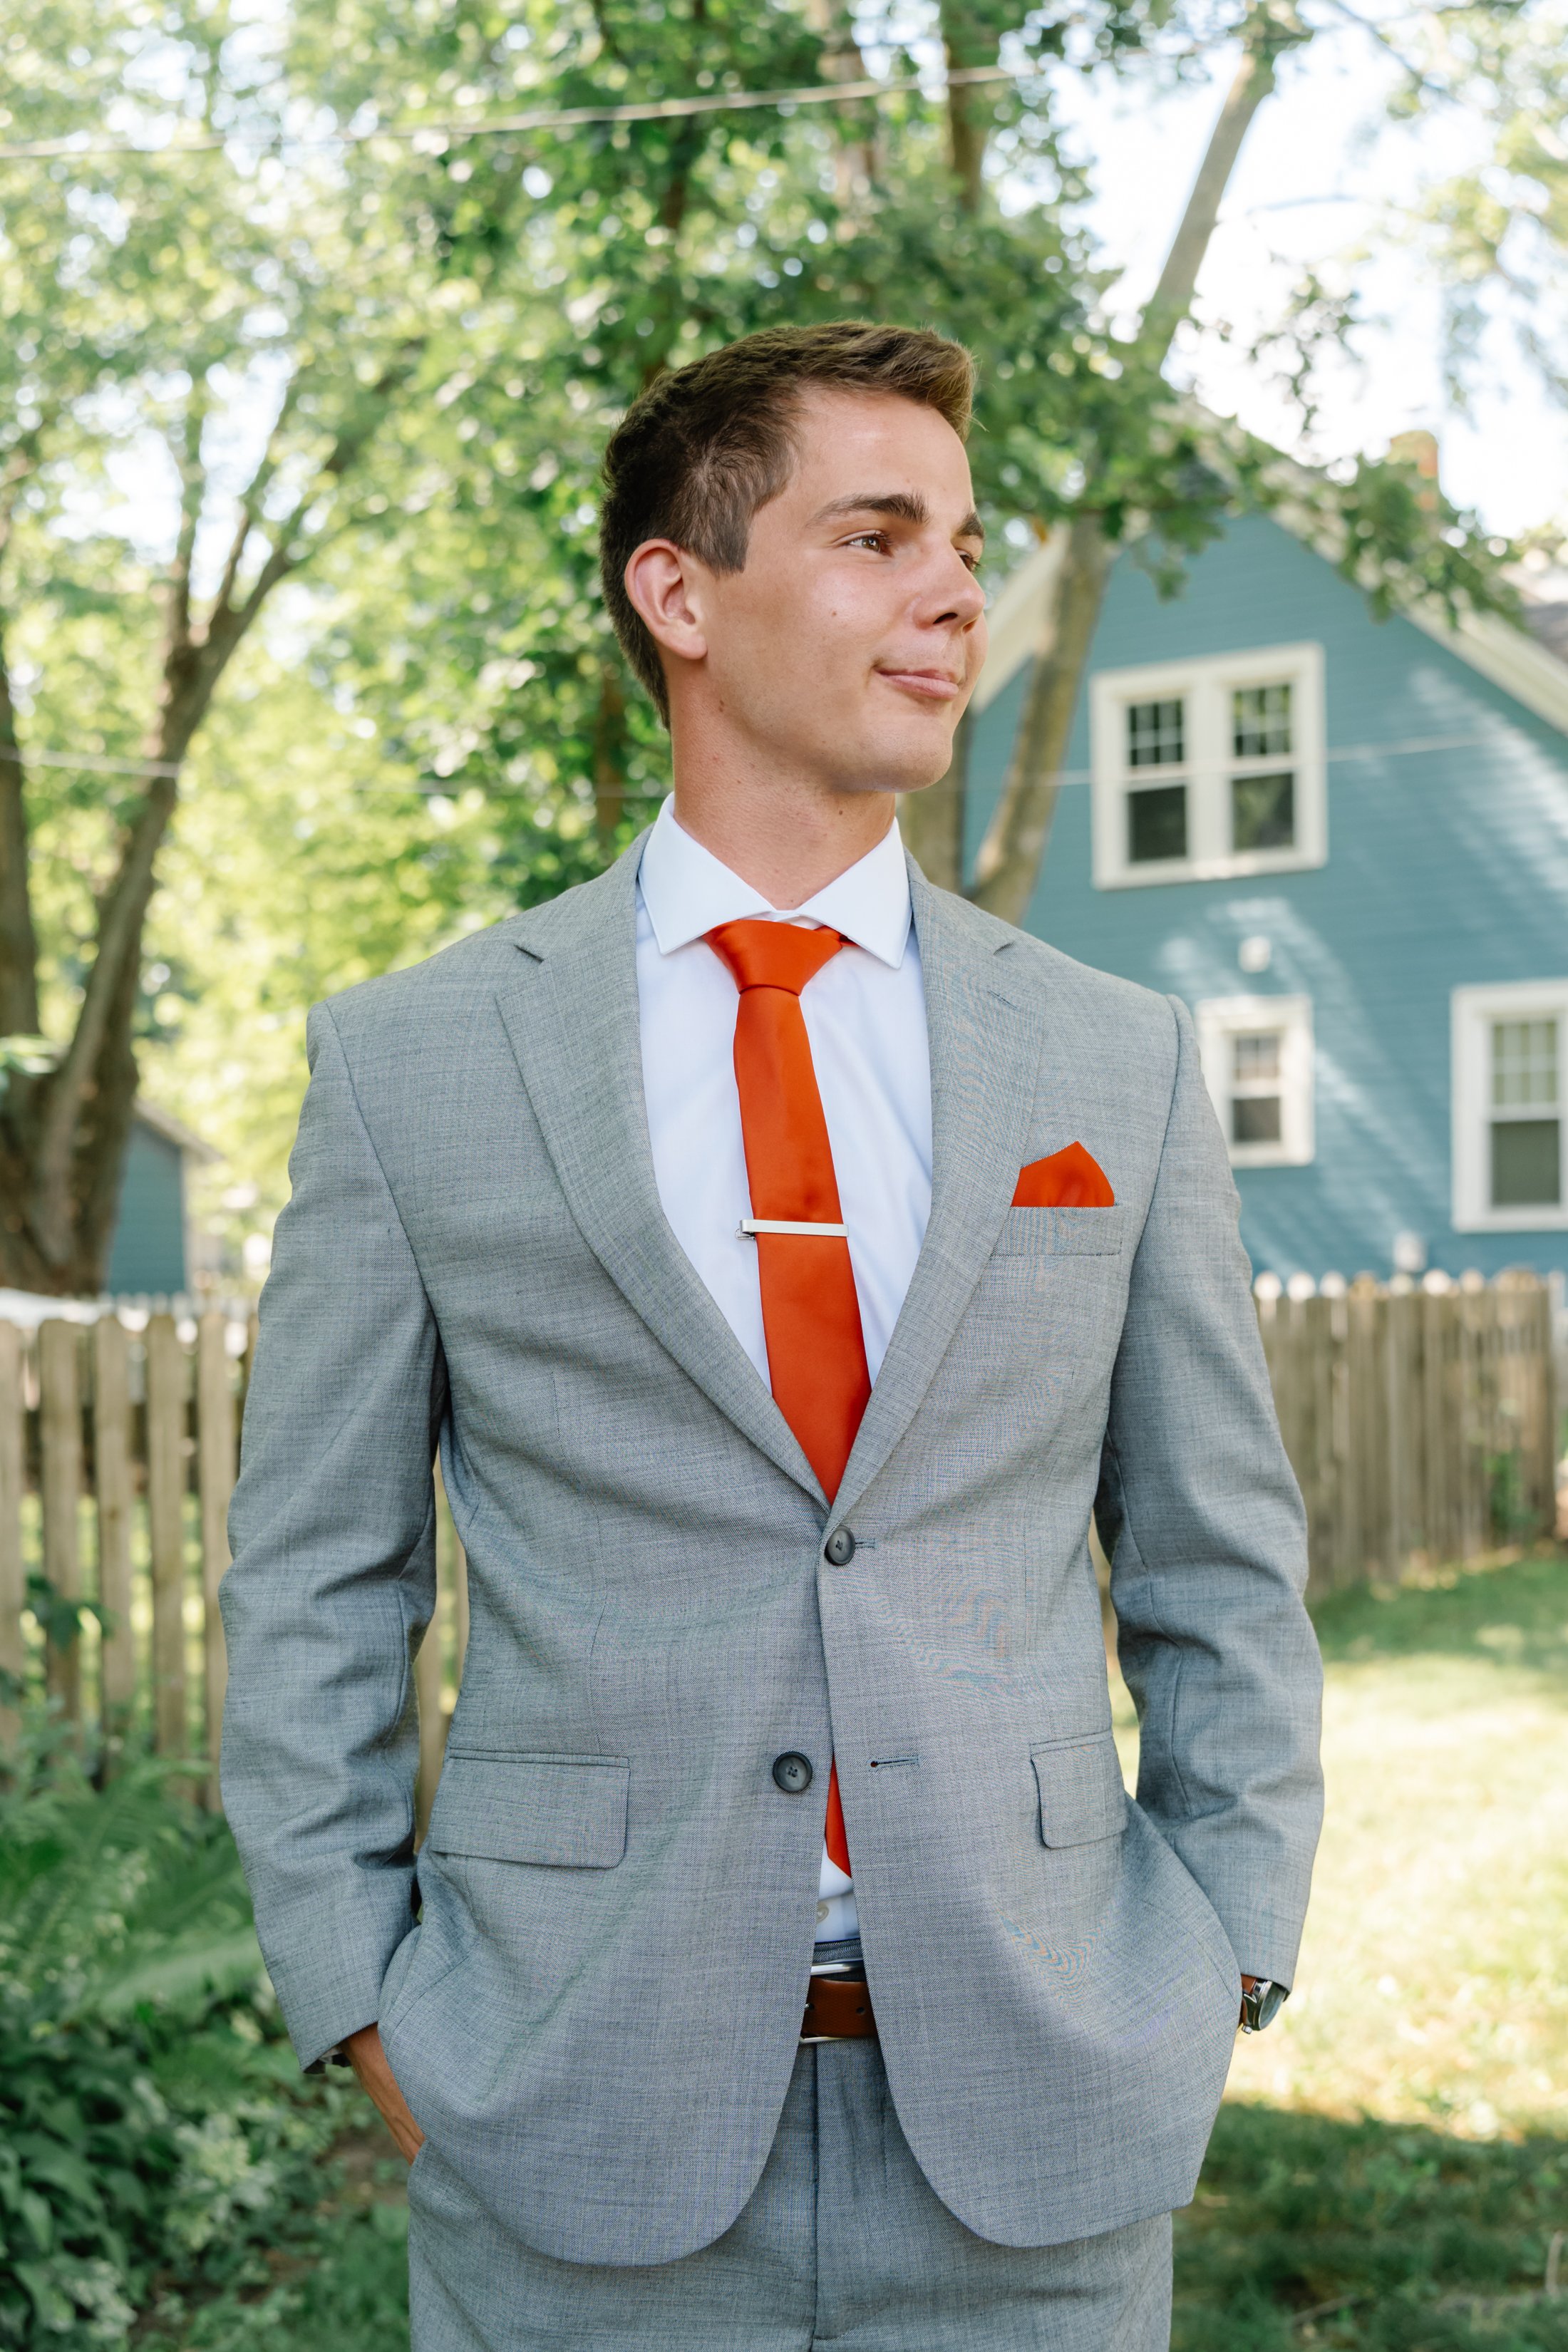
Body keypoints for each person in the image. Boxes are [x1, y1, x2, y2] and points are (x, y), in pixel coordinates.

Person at [220, 321, 1324, 2352]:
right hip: (568, 2112)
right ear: (681, 590)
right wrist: (363, 1989)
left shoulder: (1116, 1057)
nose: (956, 590)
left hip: (1042, 2113)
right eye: (878, 534)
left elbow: (1217, 1555)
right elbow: (311, 1577)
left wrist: (1229, 1943)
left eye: (966, 542)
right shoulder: (417, 1064)